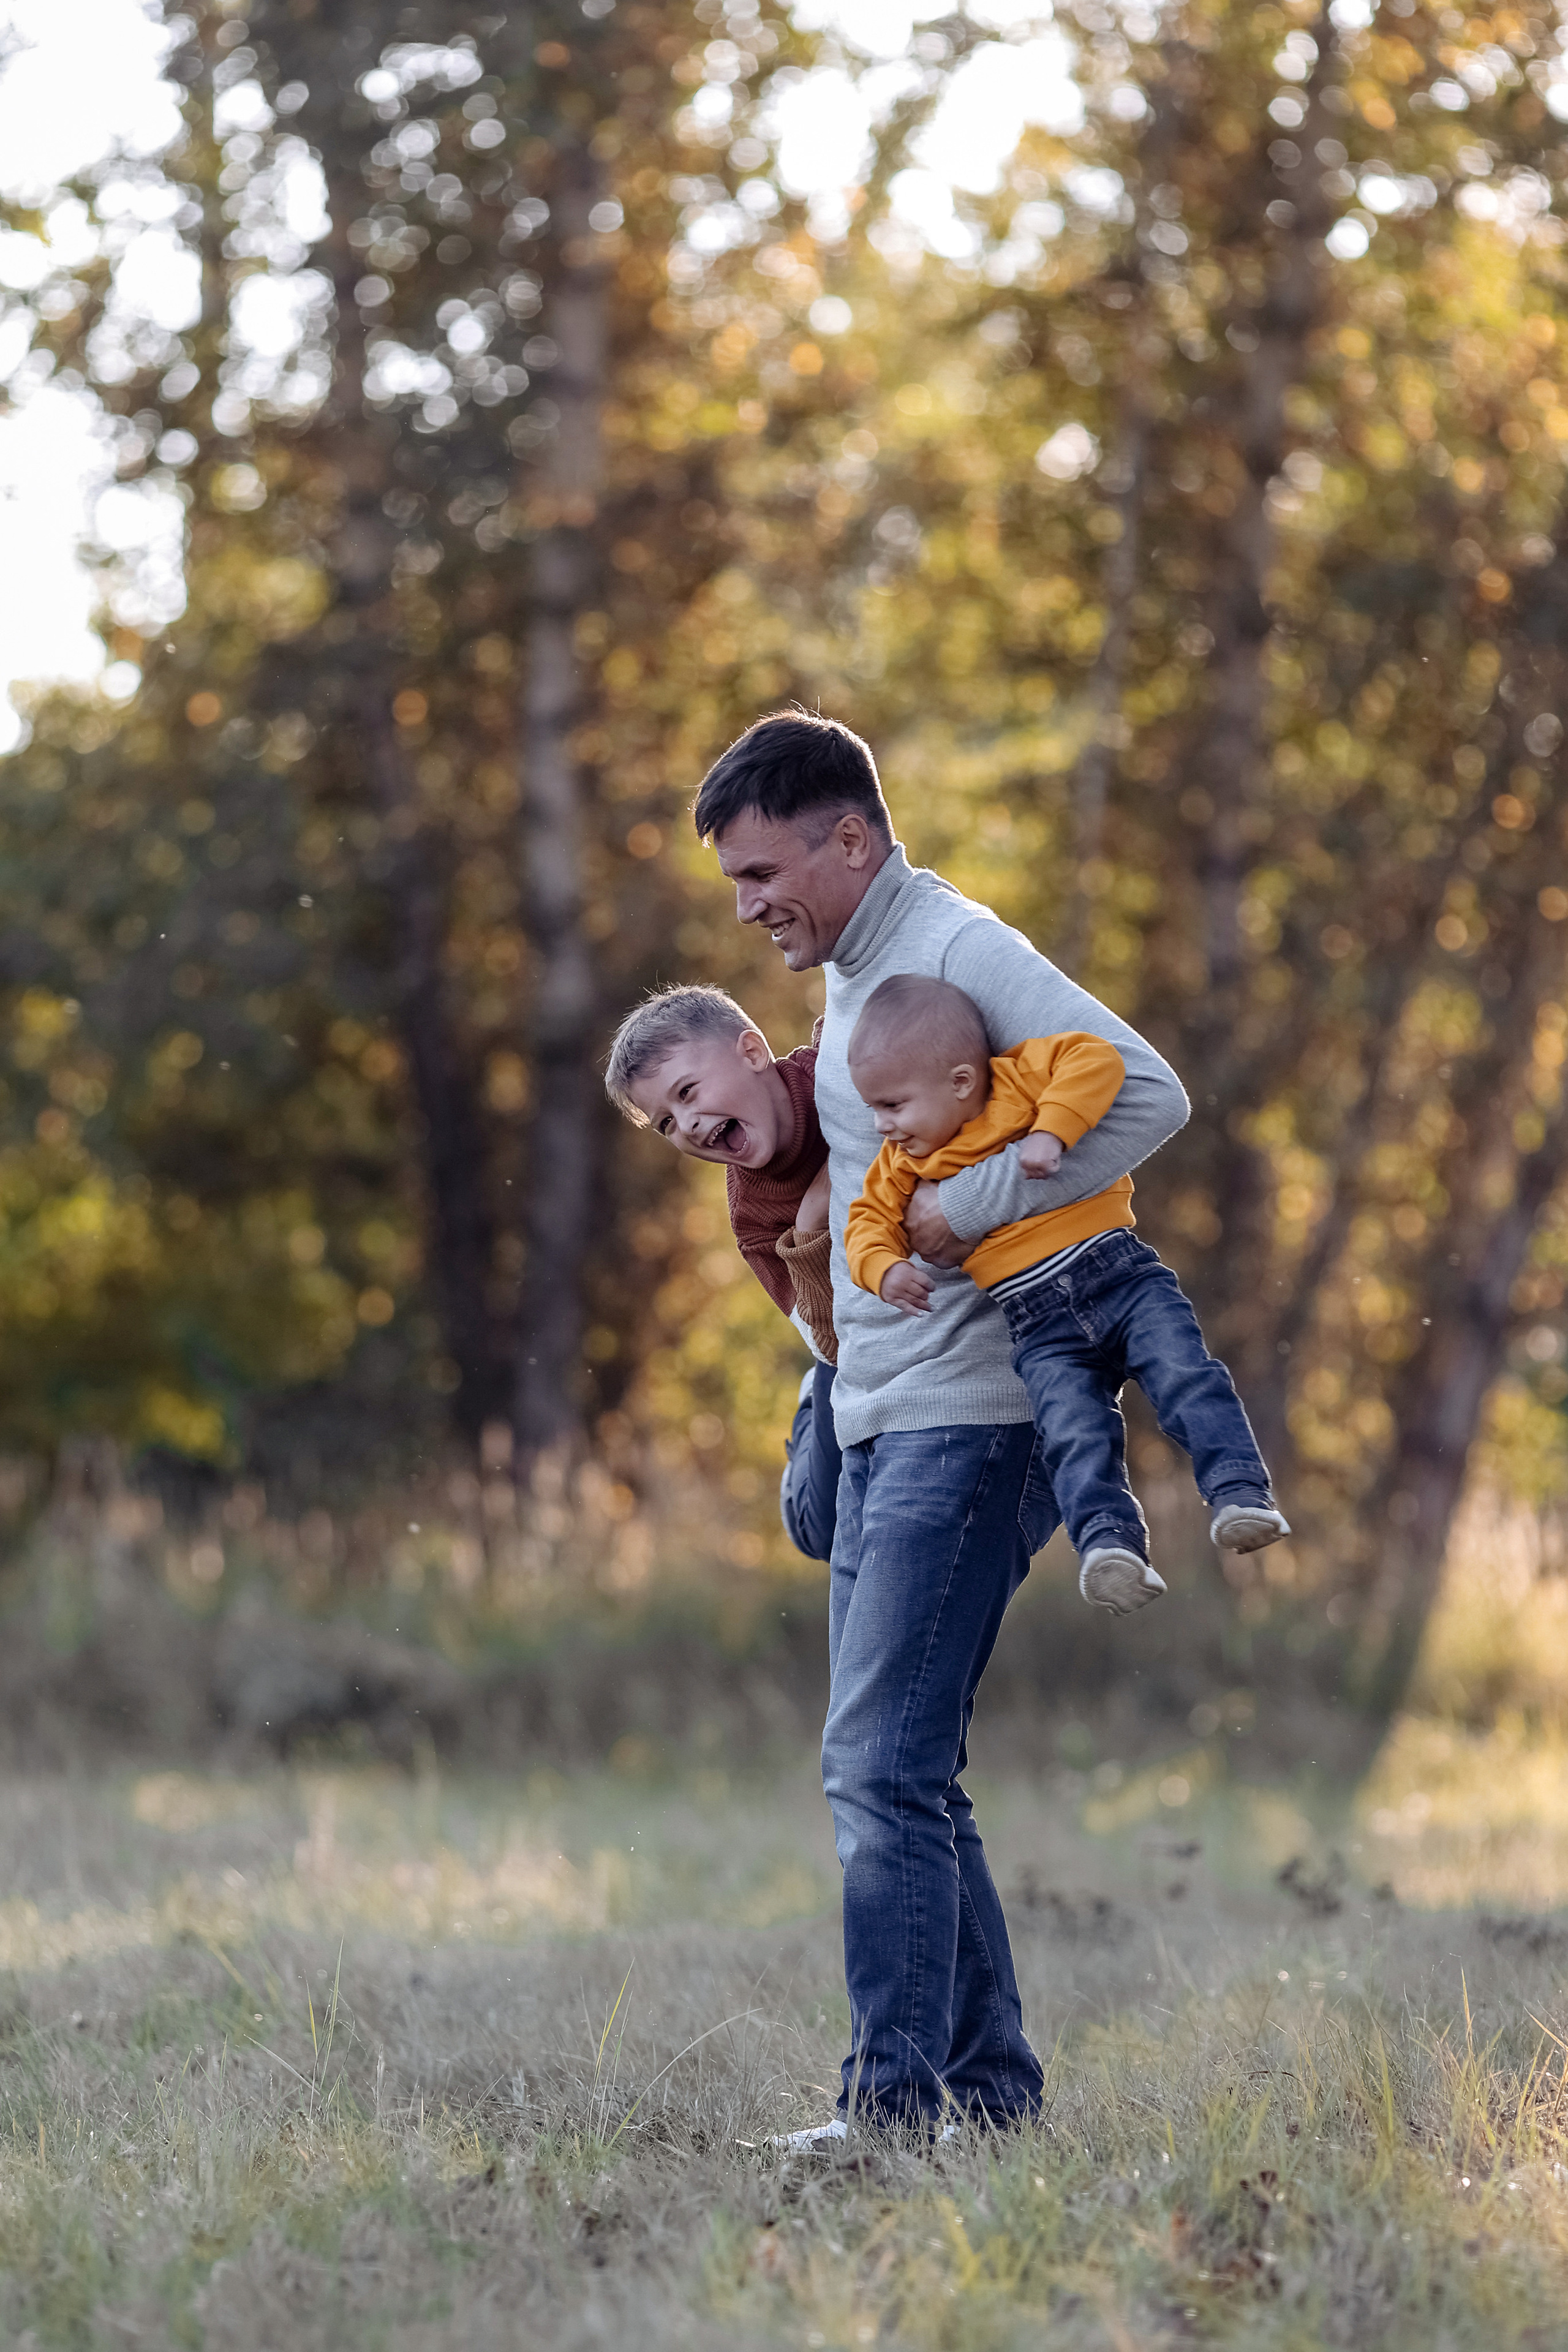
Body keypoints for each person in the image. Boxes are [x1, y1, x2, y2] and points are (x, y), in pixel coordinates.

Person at [692, 707, 1190, 2142]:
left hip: (971, 1422)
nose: (747, 904)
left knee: (879, 1767)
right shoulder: (855, 972)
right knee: (905, 1765)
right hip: (880, 1415)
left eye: (762, 869)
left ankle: (892, 2111)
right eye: (730, 883)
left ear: (851, 836)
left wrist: (956, 1217)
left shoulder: (952, 945)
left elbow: (1144, 1092)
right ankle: (987, 2097)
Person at [843, 972, 1288, 1619]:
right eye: (874, 1110)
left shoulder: (1020, 1078)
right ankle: (1110, 1548)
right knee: (1074, 1434)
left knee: (1185, 1376)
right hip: (1037, 1324)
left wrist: (1051, 1131)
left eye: (892, 1106)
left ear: (961, 1083)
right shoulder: (902, 1165)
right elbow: (864, 1223)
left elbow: (1097, 1058)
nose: (882, 1126)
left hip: (1120, 1276)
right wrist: (883, 1269)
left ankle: (1239, 1492)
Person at [603, 982, 842, 1561]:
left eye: (687, 1092)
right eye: (665, 1123)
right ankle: (809, 1420)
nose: (684, 1125)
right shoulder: (753, 1216)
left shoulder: (830, 1071)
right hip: (840, 1333)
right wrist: (812, 1219)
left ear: (754, 1052)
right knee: (823, 1528)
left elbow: (858, 1014)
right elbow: (824, 1331)